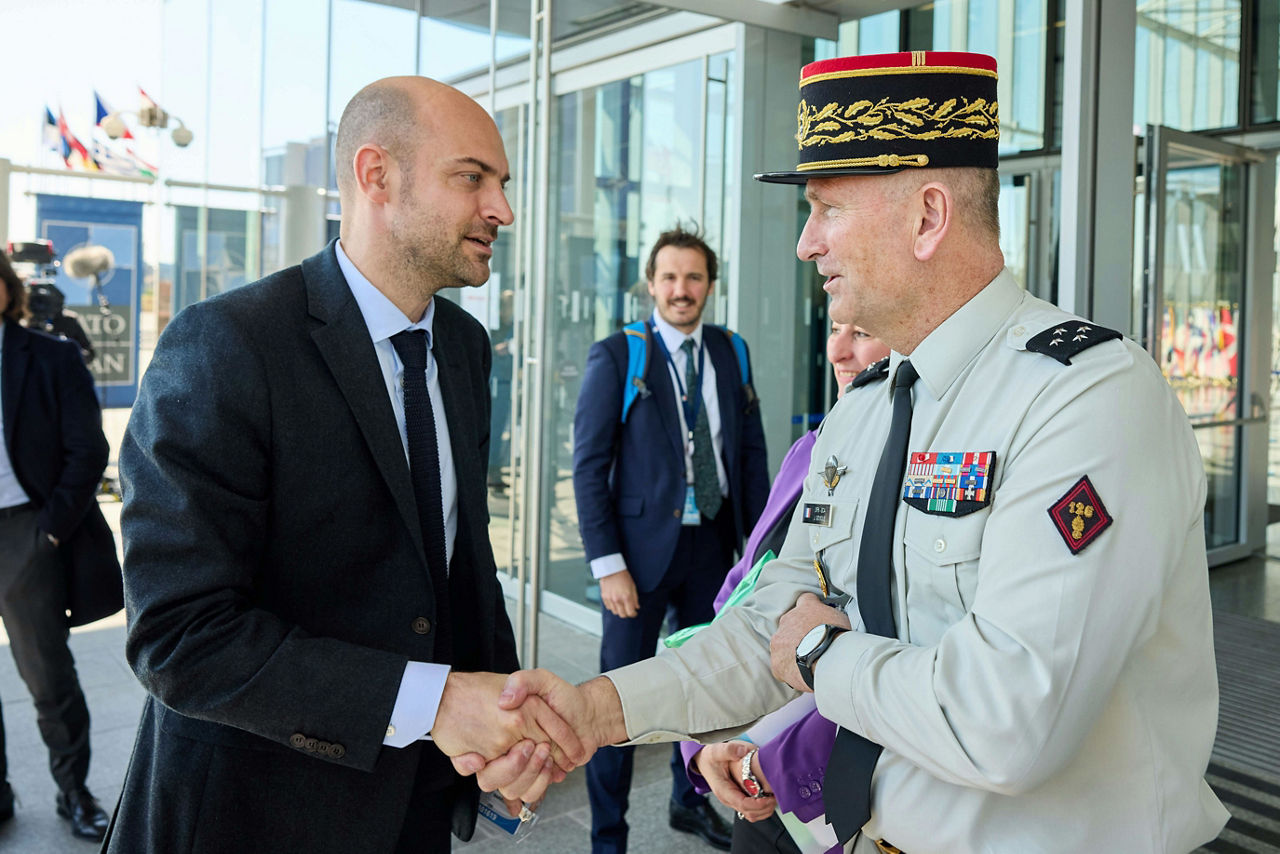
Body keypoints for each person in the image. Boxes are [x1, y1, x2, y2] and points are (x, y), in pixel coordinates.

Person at [470, 51, 1230, 854]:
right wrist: (595, 710)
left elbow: (1002, 722)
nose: (805, 243)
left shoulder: (1087, 399)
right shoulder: (866, 410)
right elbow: (763, 623)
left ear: (928, 217)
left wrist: (817, 650)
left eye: (827, 208)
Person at [105, 77, 585, 854]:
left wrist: (508, 718)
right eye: (472, 178)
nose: (502, 209)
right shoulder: (227, 346)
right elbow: (180, 636)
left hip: (413, 813)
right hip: (251, 817)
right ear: (376, 175)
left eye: (501, 183)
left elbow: (457, 563)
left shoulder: (463, 350)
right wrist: (433, 704)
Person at [572, 224, 771, 853]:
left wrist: (762, 547)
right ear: (651, 285)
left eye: (693, 277)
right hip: (637, 556)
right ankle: (609, 837)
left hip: (712, 547)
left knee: (708, 690)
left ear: (710, 285)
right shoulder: (619, 355)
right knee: (617, 700)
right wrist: (608, 565)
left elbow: (750, 454)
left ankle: (691, 803)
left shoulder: (730, 351)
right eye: (669, 277)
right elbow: (587, 466)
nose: (680, 290)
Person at [681, 321, 889, 854]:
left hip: (835, 786)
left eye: (862, 332)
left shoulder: (920, 466)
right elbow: (742, 589)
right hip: (753, 764)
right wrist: (703, 743)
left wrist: (772, 762)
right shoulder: (811, 449)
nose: (838, 351)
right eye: (836, 329)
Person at [0, 251, 121, 841]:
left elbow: (88, 449)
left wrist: (50, 529)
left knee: (47, 675)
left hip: (26, 529)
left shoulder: (50, 356)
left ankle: (74, 793)